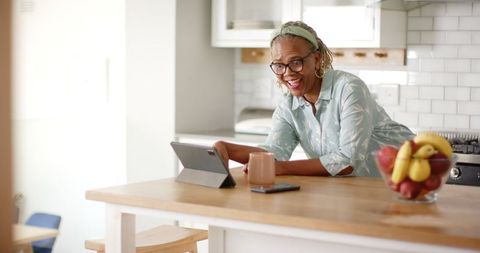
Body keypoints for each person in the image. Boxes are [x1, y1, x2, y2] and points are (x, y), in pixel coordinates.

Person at [214, 21, 414, 177]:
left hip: (413, 176)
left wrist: (282, 168)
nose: (288, 73)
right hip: (358, 189)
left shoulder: (348, 89)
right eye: (279, 65)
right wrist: (226, 148)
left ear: (317, 60)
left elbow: (347, 161)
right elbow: (274, 152)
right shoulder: (288, 106)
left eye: (296, 62)